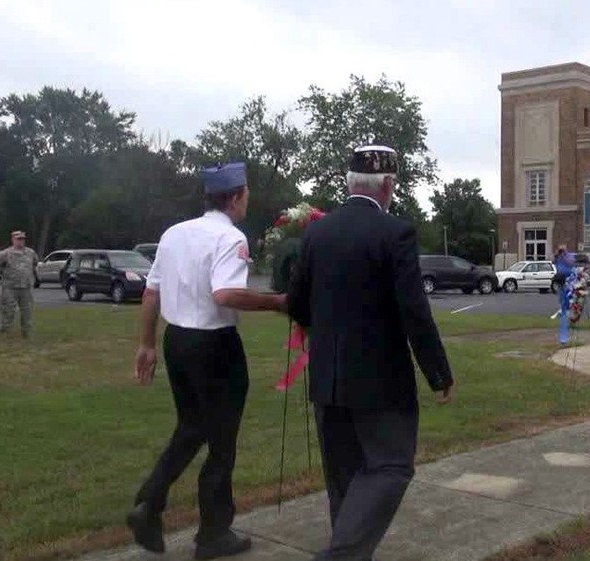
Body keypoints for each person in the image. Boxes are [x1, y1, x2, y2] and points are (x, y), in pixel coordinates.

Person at [287, 145, 455, 561]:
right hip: (381, 382)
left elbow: (297, 302)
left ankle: (347, 552)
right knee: (391, 466)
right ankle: (340, 555)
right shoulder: (395, 233)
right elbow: (414, 310)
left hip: (327, 377)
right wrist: (438, 373)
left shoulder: (316, 233)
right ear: (388, 185)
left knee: (343, 479)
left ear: (350, 183)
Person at [127, 161, 287, 560]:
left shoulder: (175, 234)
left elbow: (151, 294)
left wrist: (147, 344)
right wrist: (279, 302)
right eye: (246, 191)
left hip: (176, 340)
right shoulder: (231, 238)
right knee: (221, 442)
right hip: (214, 346)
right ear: (235, 196)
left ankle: (149, 502)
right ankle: (214, 534)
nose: (248, 197)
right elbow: (226, 295)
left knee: (192, 426)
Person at [0, 231, 39, 338]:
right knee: (8, 311)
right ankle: (7, 333)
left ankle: (27, 333)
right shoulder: (5, 253)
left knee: (27, 311)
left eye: (22, 239)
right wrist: (5, 273)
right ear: (13, 240)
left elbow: (34, 263)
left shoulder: (30, 252)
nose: (21, 241)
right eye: (18, 239)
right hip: (10, 287)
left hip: (26, 287)